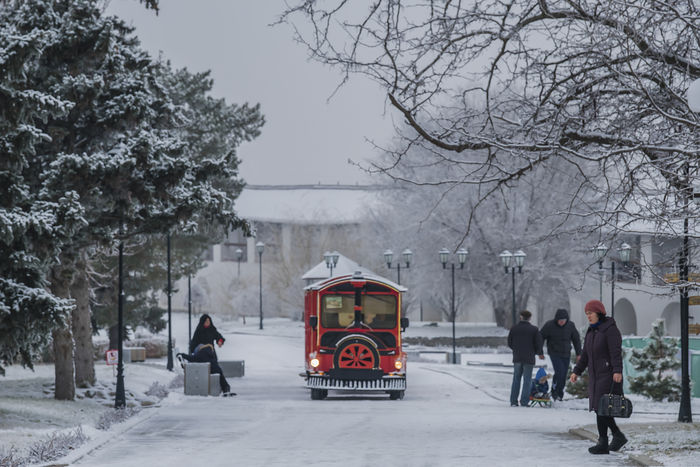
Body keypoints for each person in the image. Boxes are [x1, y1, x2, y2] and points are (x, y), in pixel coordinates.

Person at [570, 300, 627, 454]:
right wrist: (576, 371)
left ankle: (605, 441)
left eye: (590, 313)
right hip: (595, 376)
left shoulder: (610, 330)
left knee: (601, 407)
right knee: (599, 408)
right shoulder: (591, 332)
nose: (588, 316)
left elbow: (616, 352)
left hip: (608, 375)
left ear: (599, 313)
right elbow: (585, 356)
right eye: (586, 314)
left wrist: (617, 370)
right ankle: (615, 436)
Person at [178, 314, 233, 396]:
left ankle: (223, 388)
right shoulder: (199, 331)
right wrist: (196, 349)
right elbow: (193, 345)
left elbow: (220, 337)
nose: (208, 322)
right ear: (202, 322)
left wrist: (220, 341)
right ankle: (225, 387)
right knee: (215, 369)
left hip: (210, 354)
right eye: (206, 321)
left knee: (216, 369)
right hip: (202, 352)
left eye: (209, 321)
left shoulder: (212, 330)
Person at [540, 308, 582, 401]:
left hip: (566, 353)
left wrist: (579, 353)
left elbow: (576, 340)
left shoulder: (570, 326)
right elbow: (541, 336)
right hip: (554, 353)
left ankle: (560, 394)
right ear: (556, 319)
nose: (562, 322)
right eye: (560, 321)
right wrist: (540, 351)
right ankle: (554, 392)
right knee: (559, 372)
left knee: (563, 374)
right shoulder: (549, 325)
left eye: (563, 321)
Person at [507, 310, 545, 407]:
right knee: (527, 380)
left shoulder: (514, 328)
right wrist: (538, 352)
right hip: (529, 358)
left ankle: (513, 401)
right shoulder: (534, 329)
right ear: (530, 318)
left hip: (517, 357)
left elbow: (509, 342)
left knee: (516, 379)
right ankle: (524, 401)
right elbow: (539, 343)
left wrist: (516, 350)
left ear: (521, 317)